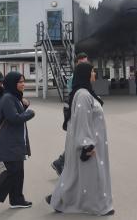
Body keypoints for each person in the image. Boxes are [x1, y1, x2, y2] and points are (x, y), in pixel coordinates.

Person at [45, 62, 114, 216]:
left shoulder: (86, 93)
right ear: (86, 75)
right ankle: (98, 206)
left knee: (78, 175)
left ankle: (60, 200)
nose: (94, 74)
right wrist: (86, 146)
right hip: (89, 143)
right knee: (90, 175)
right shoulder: (83, 95)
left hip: (94, 141)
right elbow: (82, 121)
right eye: (93, 72)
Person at [0, 72, 35, 213]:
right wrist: (30, 113)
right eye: (20, 82)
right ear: (12, 83)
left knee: (18, 172)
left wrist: (25, 106)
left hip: (15, 142)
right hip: (8, 143)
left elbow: (14, 114)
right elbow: (14, 118)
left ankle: (17, 199)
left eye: (23, 81)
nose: (23, 84)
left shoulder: (14, 97)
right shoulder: (7, 98)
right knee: (12, 172)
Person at [51, 52, 88, 176]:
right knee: (77, 140)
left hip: (77, 110)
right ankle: (62, 162)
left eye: (86, 62)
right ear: (77, 63)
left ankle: (61, 162)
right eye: (82, 62)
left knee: (76, 140)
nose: (85, 65)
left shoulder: (81, 75)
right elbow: (75, 95)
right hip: (74, 110)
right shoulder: (75, 77)